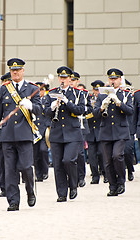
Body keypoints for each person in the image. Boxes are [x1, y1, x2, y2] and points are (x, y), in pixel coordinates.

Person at [0, 58, 41, 211]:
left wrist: (31, 106)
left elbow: (40, 110)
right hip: (7, 135)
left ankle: (30, 191)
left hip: (25, 134)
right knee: (10, 170)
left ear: (23, 71)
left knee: (26, 167)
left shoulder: (32, 88)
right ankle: (13, 201)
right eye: (12, 70)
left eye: (18, 70)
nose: (15, 72)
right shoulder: (4, 88)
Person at [43, 66, 85, 202]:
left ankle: (73, 185)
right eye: (60, 77)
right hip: (56, 133)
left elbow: (81, 110)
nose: (62, 80)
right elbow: (45, 113)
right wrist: (52, 107)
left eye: (65, 78)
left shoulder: (78, 93)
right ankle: (61, 193)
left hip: (72, 133)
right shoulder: (51, 93)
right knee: (58, 165)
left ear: (70, 79)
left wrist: (67, 102)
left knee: (68, 160)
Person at [93, 68, 133, 197]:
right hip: (106, 131)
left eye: (115, 79)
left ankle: (121, 182)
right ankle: (112, 186)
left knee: (117, 156)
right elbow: (94, 114)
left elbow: (130, 111)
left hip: (120, 131)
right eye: (111, 78)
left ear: (120, 80)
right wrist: (102, 107)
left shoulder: (126, 94)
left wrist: (119, 103)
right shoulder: (101, 94)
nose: (113, 81)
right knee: (108, 161)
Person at [69, 71, 91, 188]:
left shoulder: (83, 94)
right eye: (70, 80)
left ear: (77, 81)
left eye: (73, 80)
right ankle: (73, 176)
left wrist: (82, 110)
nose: (71, 82)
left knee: (80, 153)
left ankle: (81, 176)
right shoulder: (65, 93)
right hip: (69, 126)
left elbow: (90, 109)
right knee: (71, 154)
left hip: (81, 125)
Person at [86, 80, 106, 184]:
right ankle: (95, 176)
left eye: (98, 90)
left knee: (102, 154)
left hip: (101, 130)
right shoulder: (89, 98)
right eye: (95, 89)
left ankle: (105, 173)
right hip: (91, 131)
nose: (96, 92)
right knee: (92, 156)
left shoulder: (105, 99)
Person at [33, 82, 50, 182]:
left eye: (42, 90)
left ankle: (45, 171)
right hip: (35, 129)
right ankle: (38, 174)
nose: (40, 92)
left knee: (43, 150)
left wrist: (48, 127)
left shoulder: (46, 99)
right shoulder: (34, 100)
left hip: (44, 129)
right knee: (35, 153)